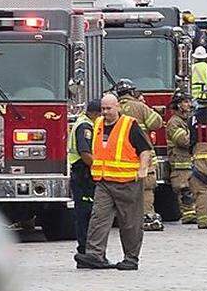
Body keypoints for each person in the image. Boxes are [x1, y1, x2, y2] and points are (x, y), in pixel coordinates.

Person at [75, 93, 154, 271]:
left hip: (127, 182)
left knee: (130, 223)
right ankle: (95, 255)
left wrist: (143, 168)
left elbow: (145, 150)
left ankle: (131, 258)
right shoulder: (98, 125)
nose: (105, 112)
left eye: (109, 108)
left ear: (118, 107)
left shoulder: (129, 125)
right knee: (98, 218)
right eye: (103, 109)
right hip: (104, 182)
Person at [116, 80, 165, 232]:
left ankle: (126, 218)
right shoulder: (140, 107)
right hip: (142, 154)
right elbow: (156, 123)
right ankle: (147, 216)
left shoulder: (114, 109)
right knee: (147, 187)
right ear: (131, 92)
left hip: (122, 156)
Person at [66, 99, 98, 254]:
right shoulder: (86, 126)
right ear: (95, 114)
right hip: (83, 174)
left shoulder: (83, 122)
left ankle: (87, 249)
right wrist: (99, 169)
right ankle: (85, 249)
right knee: (85, 212)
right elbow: (85, 153)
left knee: (86, 212)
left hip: (82, 173)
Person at [166, 95, 197, 225]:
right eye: (185, 102)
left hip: (189, 160)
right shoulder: (174, 122)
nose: (189, 104)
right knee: (184, 189)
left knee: (194, 188)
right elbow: (184, 141)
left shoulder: (187, 120)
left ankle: (195, 213)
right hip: (179, 162)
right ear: (178, 105)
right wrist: (197, 133)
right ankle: (188, 215)